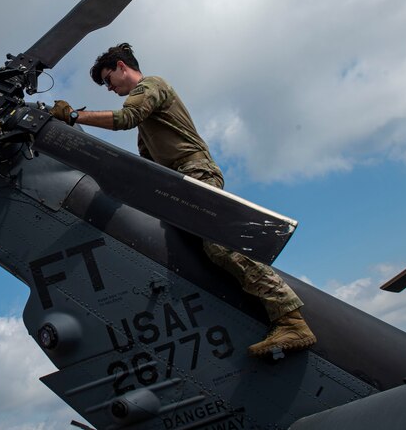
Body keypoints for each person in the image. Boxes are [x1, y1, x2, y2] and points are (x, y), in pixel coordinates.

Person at [49, 43, 316, 357]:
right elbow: (144, 162)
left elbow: (126, 117)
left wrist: (74, 116)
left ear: (122, 67)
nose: (110, 88)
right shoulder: (149, 126)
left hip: (195, 173)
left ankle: (291, 319)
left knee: (220, 244)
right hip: (178, 184)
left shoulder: (153, 86)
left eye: (109, 80)